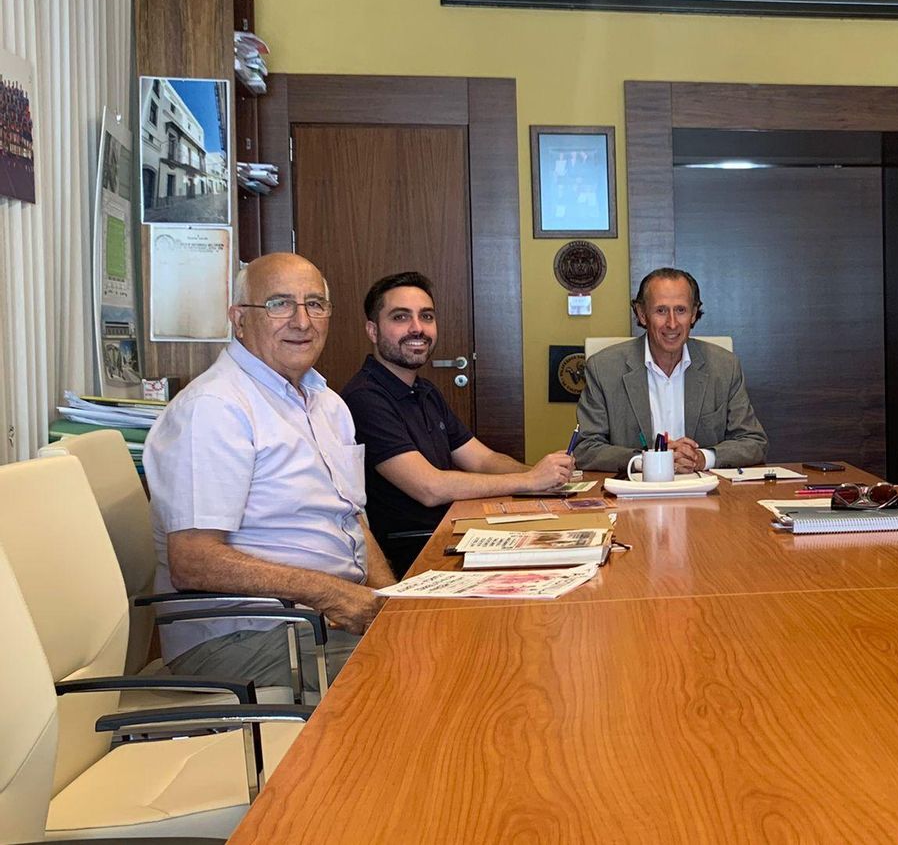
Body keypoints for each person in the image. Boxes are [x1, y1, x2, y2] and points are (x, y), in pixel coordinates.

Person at [145, 253, 395, 691]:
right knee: (422, 667)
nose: (302, 321)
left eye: (315, 304)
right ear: (239, 319)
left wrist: (391, 602)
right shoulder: (215, 408)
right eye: (279, 304)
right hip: (244, 635)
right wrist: (333, 594)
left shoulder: (328, 403)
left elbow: (351, 518)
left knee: (445, 637)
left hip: (322, 621)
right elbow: (192, 561)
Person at [342, 271, 575, 574]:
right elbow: (429, 487)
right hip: (417, 552)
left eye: (426, 317)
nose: (417, 328)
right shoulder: (365, 398)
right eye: (401, 317)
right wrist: (531, 481)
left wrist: (545, 476)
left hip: (457, 530)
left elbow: (483, 459)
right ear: (373, 331)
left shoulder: (425, 391)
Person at [575, 267, 767, 473]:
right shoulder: (603, 368)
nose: (672, 323)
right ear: (642, 314)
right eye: (661, 310)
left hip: (706, 494)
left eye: (681, 310)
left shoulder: (724, 367)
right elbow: (586, 448)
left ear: (693, 314)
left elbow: (753, 442)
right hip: (635, 494)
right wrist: (649, 460)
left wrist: (702, 458)